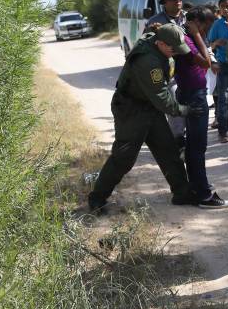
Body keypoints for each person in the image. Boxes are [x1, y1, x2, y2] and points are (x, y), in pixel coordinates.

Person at [88, 24, 205, 214]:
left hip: (148, 106)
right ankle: (97, 198)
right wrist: (185, 110)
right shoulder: (149, 62)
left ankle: (182, 192)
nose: (175, 53)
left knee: (168, 150)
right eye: (172, 49)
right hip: (131, 109)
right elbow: (163, 99)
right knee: (124, 157)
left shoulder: (158, 40)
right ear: (159, 43)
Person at [175, 6, 228, 208]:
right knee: (197, 146)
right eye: (205, 27)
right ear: (196, 23)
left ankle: (197, 186)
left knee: (194, 146)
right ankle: (204, 195)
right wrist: (198, 35)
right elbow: (206, 63)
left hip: (194, 94)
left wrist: (199, 36)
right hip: (193, 96)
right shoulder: (187, 40)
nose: (206, 32)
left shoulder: (187, 38)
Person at [208, 0, 228, 143]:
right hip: (223, 65)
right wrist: (217, 43)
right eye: (222, 7)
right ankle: (223, 131)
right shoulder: (217, 25)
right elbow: (209, 45)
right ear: (219, 9)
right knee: (223, 99)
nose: (225, 9)